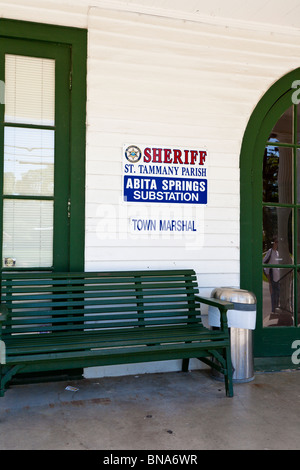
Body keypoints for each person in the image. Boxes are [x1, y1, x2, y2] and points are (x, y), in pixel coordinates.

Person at [263, 238, 280, 314]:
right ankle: (273, 310)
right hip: (272, 275)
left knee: (278, 293)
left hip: (278, 276)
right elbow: (264, 263)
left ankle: (276, 308)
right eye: (276, 242)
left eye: (278, 242)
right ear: (273, 243)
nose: (277, 244)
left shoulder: (278, 253)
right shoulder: (270, 252)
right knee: (273, 293)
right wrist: (268, 276)